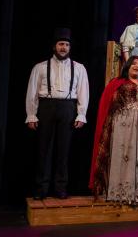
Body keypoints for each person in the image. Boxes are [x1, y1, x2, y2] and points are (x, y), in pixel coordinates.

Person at [90, 56, 138, 206]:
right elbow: (106, 109)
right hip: (121, 130)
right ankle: (120, 192)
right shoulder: (116, 84)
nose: (137, 66)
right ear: (127, 66)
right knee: (122, 156)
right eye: (133, 64)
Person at [25, 28, 89, 200]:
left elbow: (83, 92)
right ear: (54, 47)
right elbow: (32, 92)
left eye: (67, 45)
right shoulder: (40, 67)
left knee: (64, 150)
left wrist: (81, 114)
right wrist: (31, 114)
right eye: (61, 44)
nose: (64, 48)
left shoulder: (79, 68)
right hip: (46, 107)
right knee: (44, 150)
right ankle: (41, 188)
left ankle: (60, 188)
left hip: (68, 107)